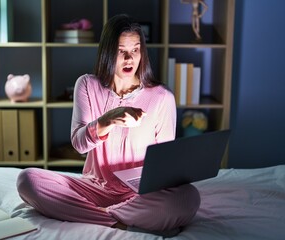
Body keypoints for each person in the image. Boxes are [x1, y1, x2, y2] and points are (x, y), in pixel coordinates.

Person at [17, 14, 200, 237]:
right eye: (121, 50)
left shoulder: (162, 97)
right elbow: (79, 144)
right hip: (94, 188)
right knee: (28, 180)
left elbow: (164, 165)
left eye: (135, 50)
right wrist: (108, 119)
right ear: (107, 52)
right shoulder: (87, 85)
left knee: (189, 198)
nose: (129, 58)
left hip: (139, 195)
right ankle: (116, 221)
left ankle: (101, 215)